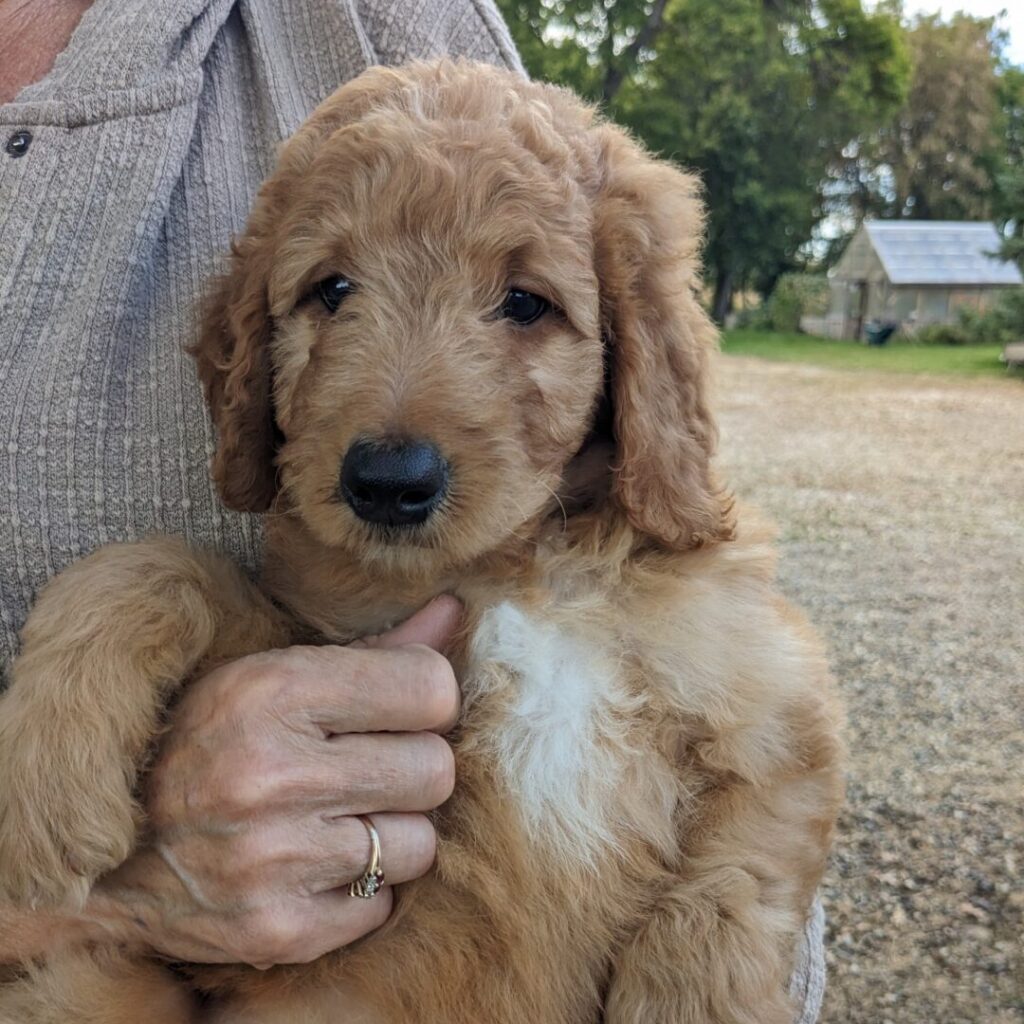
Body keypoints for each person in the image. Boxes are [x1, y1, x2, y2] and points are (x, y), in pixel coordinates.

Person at [0, 0, 825, 1015]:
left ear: (633, 349)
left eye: (525, 306)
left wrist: (706, 961)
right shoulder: (309, 581)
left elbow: (783, 776)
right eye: (332, 292)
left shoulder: (387, 21)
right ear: (249, 352)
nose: (394, 432)